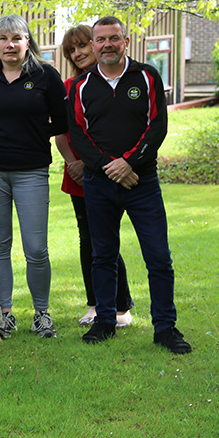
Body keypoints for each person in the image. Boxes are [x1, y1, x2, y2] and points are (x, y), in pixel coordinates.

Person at [70, 16, 191, 353]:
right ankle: (105, 321)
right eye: (101, 40)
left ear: (125, 41)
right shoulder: (82, 85)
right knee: (102, 256)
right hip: (99, 183)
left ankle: (165, 328)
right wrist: (111, 167)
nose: (107, 45)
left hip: (142, 182)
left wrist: (130, 162)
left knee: (158, 257)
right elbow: (78, 135)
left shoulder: (146, 76)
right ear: (93, 45)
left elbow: (157, 126)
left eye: (114, 38)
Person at [0, 14, 67, 339]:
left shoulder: (45, 75)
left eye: (16, 38)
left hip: (31, 171)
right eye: (3, 38)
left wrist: (34, 132)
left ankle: (42, 313)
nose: (9, 44)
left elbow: (63, 121)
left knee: (36, 247)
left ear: (28, 42)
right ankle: (4, 314)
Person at [54, 25, 134, 328]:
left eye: (82, 46)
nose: (78, 54)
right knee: (88, 239)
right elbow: (61, 133)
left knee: (106, 239)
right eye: (71, 50)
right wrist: (72, 163)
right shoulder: (68, 86)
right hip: (79, 175)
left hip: (114, 172)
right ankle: (95, 304)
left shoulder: (117, 83)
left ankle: (120, 307)